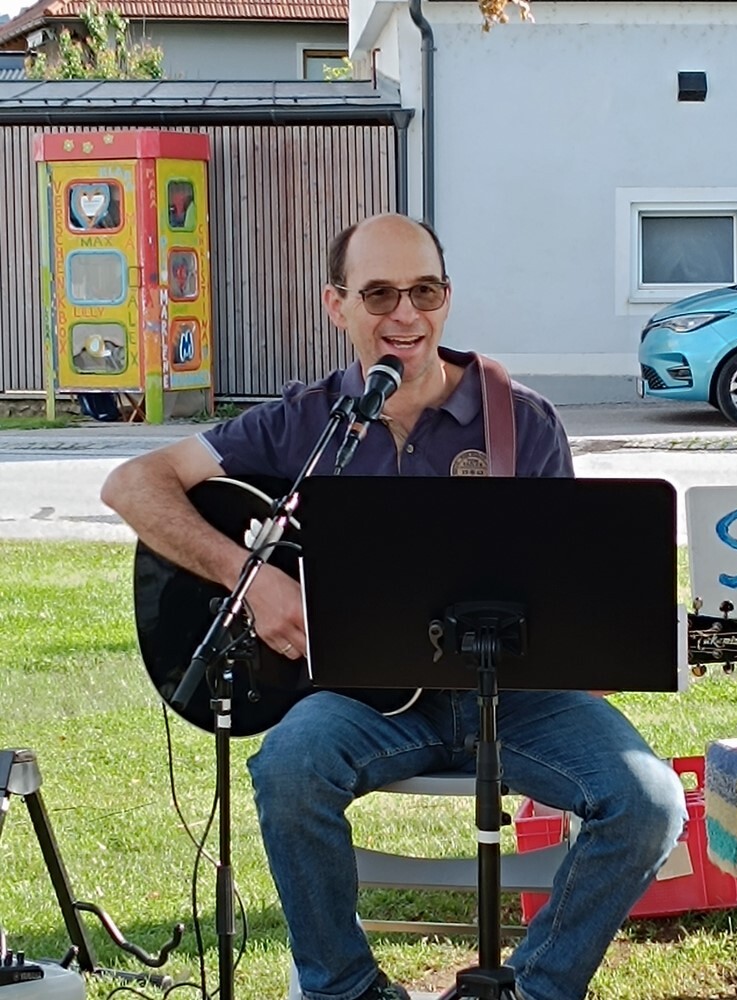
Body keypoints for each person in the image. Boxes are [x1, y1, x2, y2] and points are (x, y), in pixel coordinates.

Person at [101, 213, 687, 1000]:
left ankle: (532, 989)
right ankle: (347, 989)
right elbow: (132, 484)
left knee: (648, 803)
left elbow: (566, 585)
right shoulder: (303, 421)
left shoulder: (522, 422)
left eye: (425, 292)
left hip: (515, 697)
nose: (405, 315)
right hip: (364, 700)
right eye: (379, 294)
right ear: (336, 304)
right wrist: (253, 578)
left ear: (447, 298)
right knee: (290, 769)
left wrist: (601, 643)